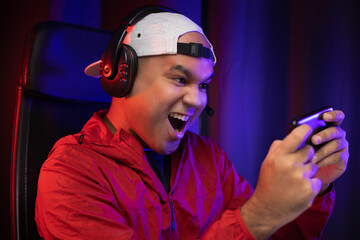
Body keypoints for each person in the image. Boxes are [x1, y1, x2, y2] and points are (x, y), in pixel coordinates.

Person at [35, 5, 349, 240]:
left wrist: (313, 190)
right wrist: (258, 215)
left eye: (202, 85)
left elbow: (270, 233)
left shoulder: (209, 158)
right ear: (123, 76)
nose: (198, 100)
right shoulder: (70, 173)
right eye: (179, 78)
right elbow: (253, 223)